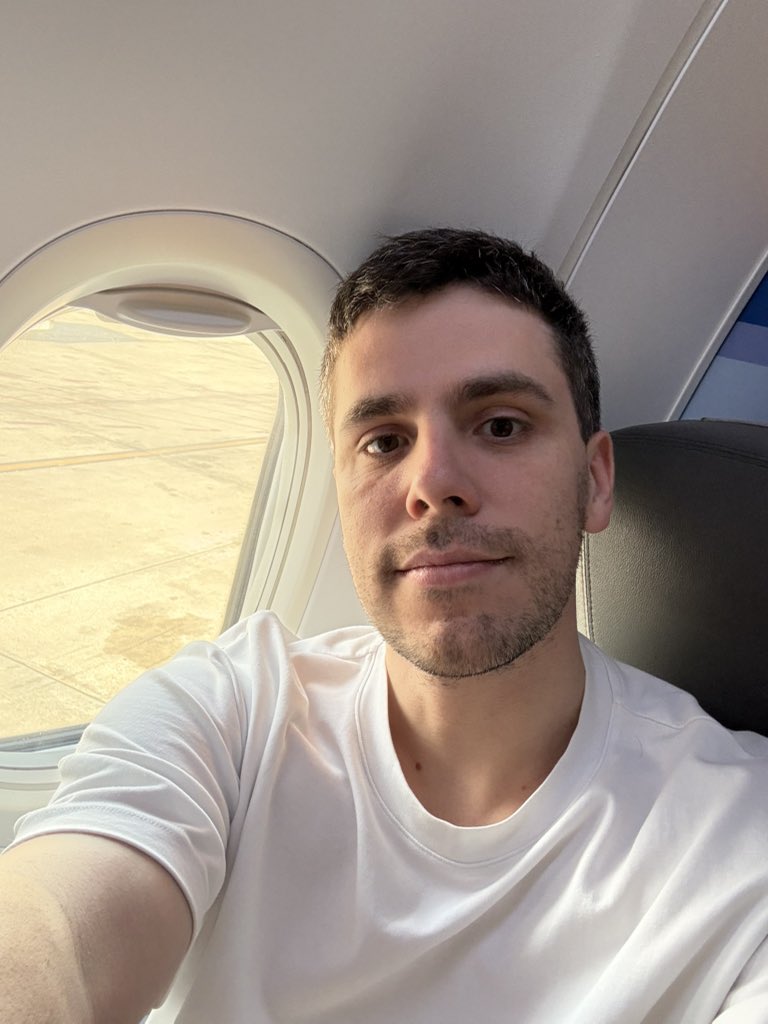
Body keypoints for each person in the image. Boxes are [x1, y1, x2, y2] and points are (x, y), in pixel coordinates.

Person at [1, 228, 767, 1023]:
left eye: (501, 425)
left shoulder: (739, 842)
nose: (432, 483)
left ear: (596, 480)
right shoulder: (231, 718)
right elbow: (56, 929)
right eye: (384, 441)